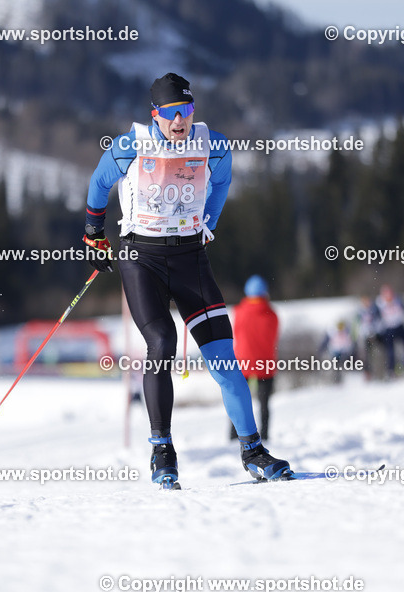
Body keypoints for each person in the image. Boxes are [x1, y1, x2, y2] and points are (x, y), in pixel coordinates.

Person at [83, 73, 291, 487]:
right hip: (141, 257)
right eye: (172, 113)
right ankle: (162, 450)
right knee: (160, 342)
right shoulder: (130, 146)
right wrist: (94, 234)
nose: (181, 120)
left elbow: (223, 181)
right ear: (156, 115)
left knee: (224, 360)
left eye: (188, 111)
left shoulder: (213, 145)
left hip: (190, 257)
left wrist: (208, 221)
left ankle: (252, 450)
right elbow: (98, 183)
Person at [228, 275, 279, 441]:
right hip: (265, 362)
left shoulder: (239, 312)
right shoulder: (271, 314)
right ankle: (264, 435)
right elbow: (273, 337)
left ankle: (234, 435)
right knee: (264, 404)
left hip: (243, 362)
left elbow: (236, 333)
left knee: (239, 400)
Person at [317, 319, 356, 384]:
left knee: (341, 364)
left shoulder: (346, 332)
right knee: (336, 365)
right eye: (339, 327)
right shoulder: (333, 332)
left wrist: (351, 349)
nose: (340, 328)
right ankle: (336, 379)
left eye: (341, 327)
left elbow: (351, 341)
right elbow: (326, 341)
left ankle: (340, 378)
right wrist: (321, 349)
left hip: (343, 351)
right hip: (335, 351)